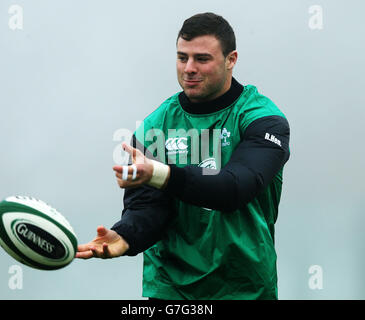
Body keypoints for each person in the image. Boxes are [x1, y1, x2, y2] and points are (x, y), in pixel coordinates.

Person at [76, 12, 290, 300]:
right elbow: (149, 209)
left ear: (231, 59)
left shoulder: (262, 119)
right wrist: (125, 236)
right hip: (171, 290)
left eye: (202, 59)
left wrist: (159, 174)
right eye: (182, 57)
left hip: (244, 289)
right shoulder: (155, 125)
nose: (189, 68)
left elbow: (235, 188)